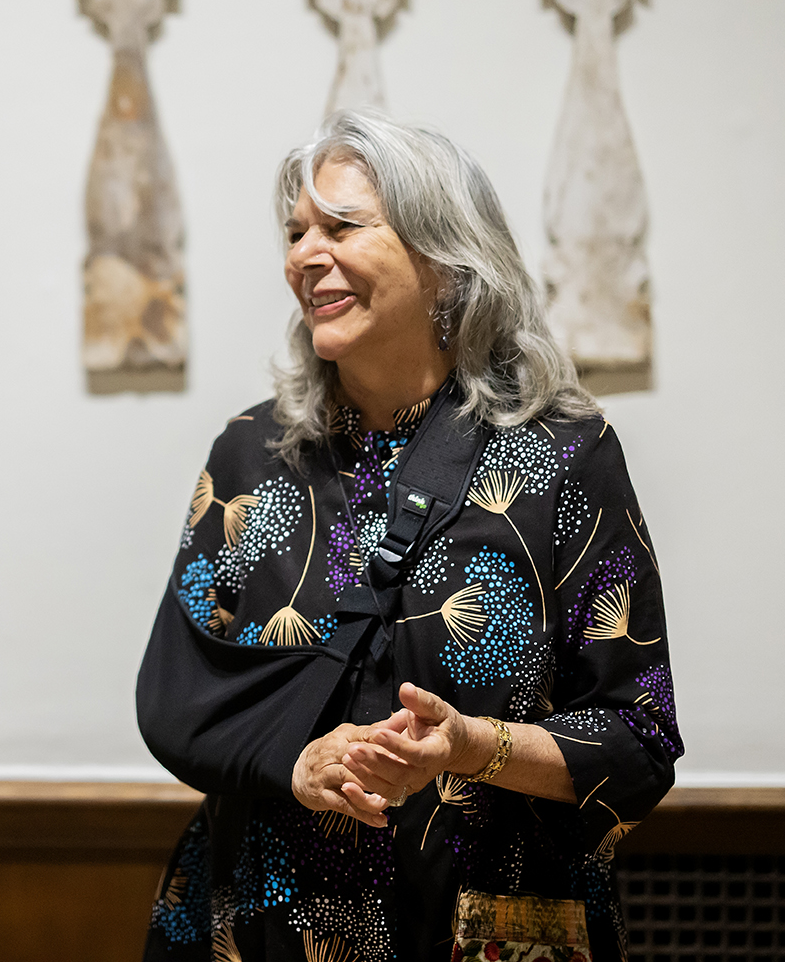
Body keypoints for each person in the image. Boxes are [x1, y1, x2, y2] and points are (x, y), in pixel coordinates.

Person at [137, 111, 679, 961]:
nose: (305, 255)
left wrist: (473, 746)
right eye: (295, 232)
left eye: (342, 227)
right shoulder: (253, 452)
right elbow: (179, 697)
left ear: (445, 258)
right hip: (256, 931)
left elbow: (639, 745)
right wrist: (296, 761)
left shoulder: (564, 458)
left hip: (478, 934)